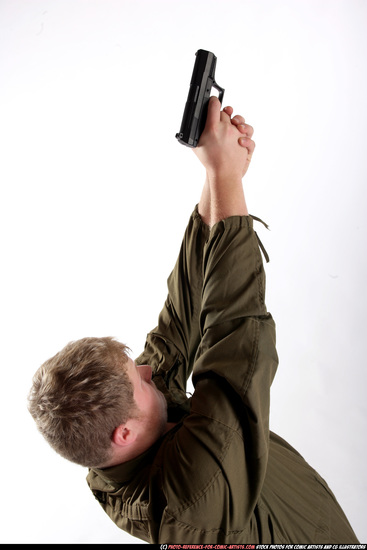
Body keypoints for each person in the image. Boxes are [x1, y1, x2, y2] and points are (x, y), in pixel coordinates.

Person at [28, 97, 359, 544]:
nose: (147, 371)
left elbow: (183, 314)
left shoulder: (119, 435)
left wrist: (219, 177)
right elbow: (235, 345)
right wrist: (225, 177)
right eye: (140, 381)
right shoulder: (190, 498)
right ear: (122, 432)